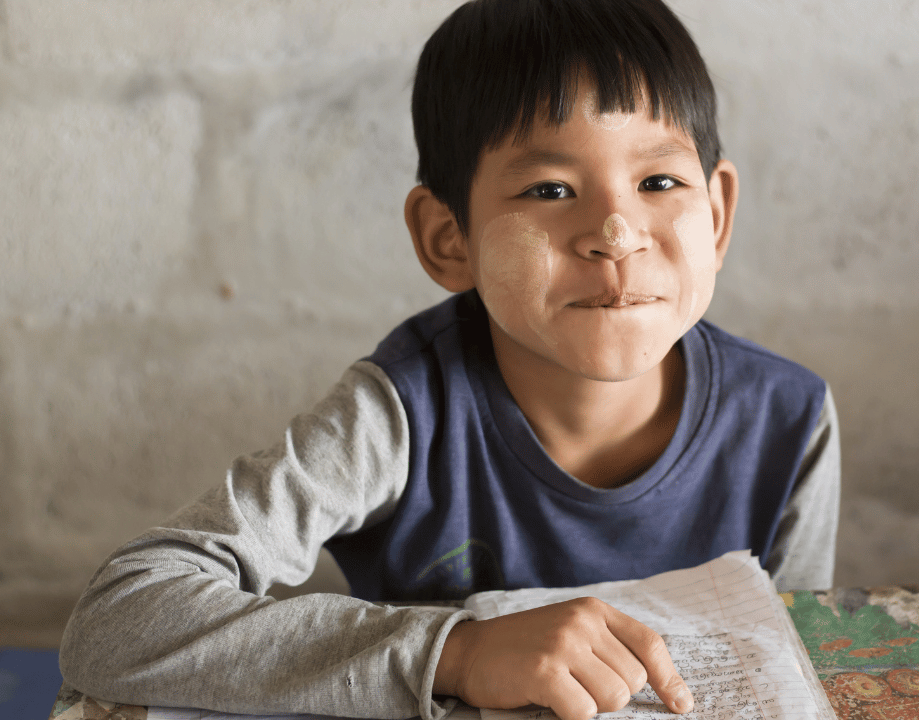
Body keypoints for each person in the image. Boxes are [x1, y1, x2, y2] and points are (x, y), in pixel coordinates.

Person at [58, 1, 840, 719]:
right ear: (448, 238)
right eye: (549, 189)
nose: (614, 230)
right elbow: (119, 617)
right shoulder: (399, 416)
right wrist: (455, 650)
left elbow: (804, 676)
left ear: (717, 212)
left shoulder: (789, 422)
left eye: (659, 181)